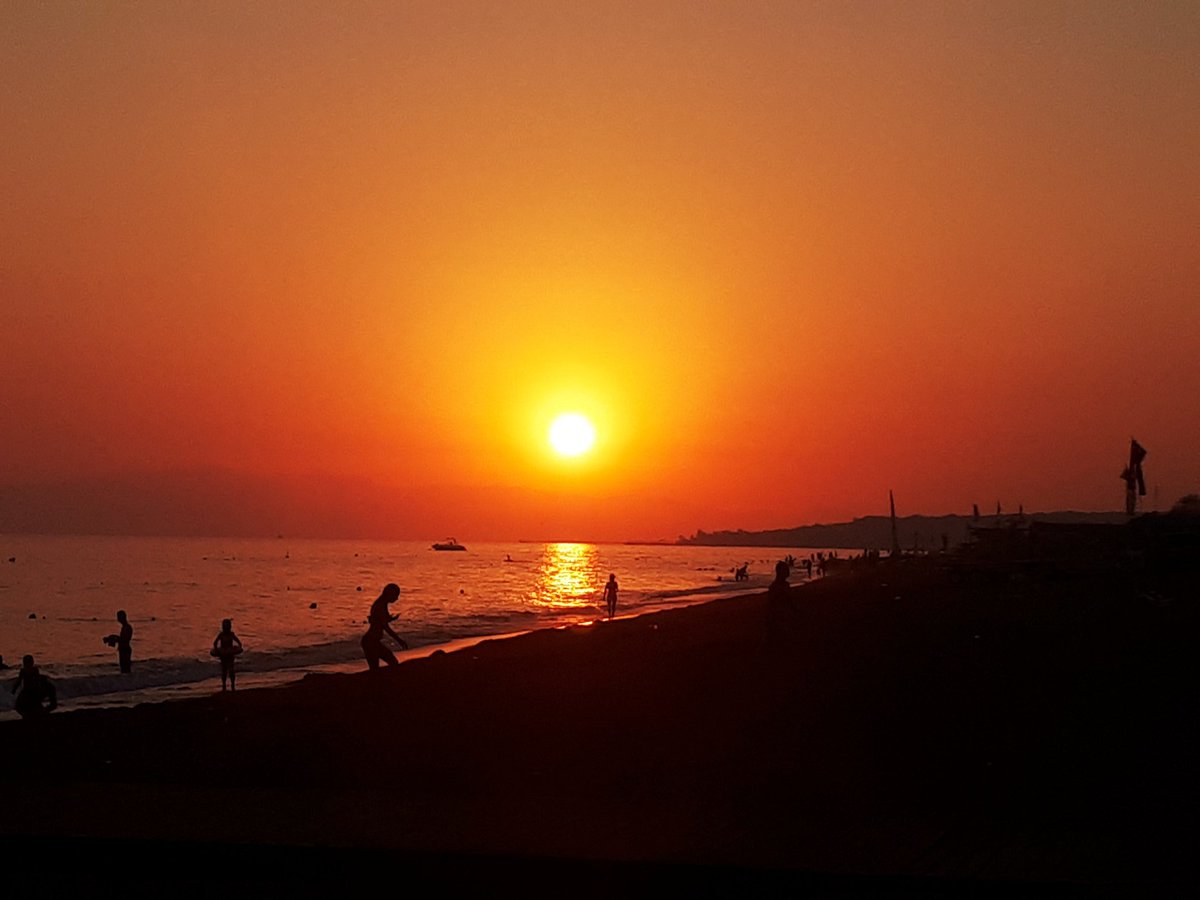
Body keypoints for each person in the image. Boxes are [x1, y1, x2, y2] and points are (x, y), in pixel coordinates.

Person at [361, 583, 408, 670]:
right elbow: (385, 627)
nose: (397, 598)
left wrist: (390, 619)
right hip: (371, 642)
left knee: (378, 668)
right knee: (389, 663)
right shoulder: (380, 605)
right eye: (396, 595)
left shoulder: (382, 604)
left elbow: (378, 620)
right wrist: (399, 640)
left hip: (372, 642)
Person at [211, 618, 244, 692]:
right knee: (224, 670)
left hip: (230, 653)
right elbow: (215, 643)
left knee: (231, 670)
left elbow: (238, 642)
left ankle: (232, 685)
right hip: (223, 654)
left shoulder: (231, 634)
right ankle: (224, 685)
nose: (226, 628)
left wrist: (238, 647)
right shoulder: (221, 634)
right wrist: (217, 650)